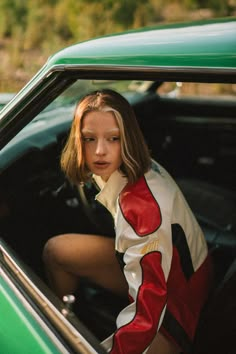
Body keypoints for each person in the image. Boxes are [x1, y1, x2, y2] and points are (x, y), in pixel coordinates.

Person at [43, 89, 213, 354]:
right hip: (171, 263)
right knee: (57, 251)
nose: (100, 151)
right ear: (79, 141)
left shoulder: (142, 211)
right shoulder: (131, 163)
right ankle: (64, 326)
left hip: (176, 299)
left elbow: (147, 314)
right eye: (89, 139)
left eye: (113, 138)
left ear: (128, 138)